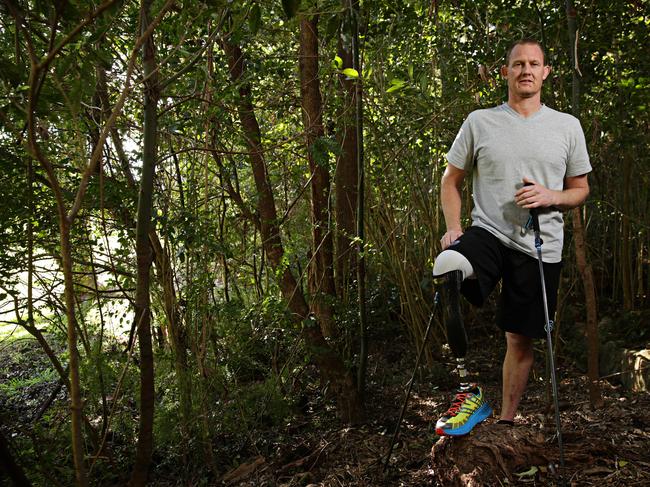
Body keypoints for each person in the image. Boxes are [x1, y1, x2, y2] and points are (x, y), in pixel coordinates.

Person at [432, 38, 592, 436]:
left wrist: (550, 196)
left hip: (541, 245)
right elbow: (451, 179)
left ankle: (504, 421)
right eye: (517, 64)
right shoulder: (480, 121)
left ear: (545, 72)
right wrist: (454, 227)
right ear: (505, 73)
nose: (525, 70)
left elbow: (581, 188)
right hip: (488, 231)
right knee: (449, 265)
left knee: (521, 340)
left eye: (533, 64)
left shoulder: (567, 126)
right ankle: (467, 383)